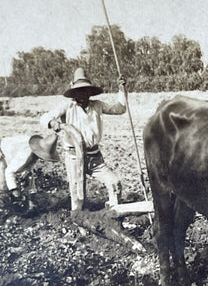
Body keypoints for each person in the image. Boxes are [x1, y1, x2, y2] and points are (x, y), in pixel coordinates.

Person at [40, 67, 127, 211]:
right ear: (74, 92)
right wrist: (53, 123)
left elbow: (120, 109)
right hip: (74, 156)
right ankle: (78, 220)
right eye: (79, 91)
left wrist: (122, 90)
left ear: (90, 92)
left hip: (94, 157)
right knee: (77, 194)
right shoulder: (68, 106)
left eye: (86, 90)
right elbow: (44, 117)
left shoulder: (97, 105)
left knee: (114, 182)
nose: (83, 94)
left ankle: (112, 213)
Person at [0, 132, 59, 214]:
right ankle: (5, 212)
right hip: (2, 151)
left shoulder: (35, 151)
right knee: (3, 186)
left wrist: (31, 192)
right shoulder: (25, 154)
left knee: (19, 180)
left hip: (10, 151)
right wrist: (15, 190)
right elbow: (9, 172)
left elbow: (29, 172)